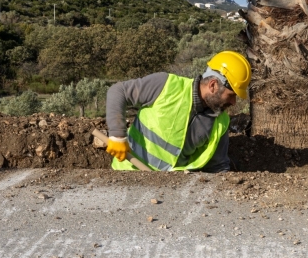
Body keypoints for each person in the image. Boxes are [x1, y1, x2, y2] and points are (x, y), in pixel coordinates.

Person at [105, 51, 251, 172]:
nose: (233, 103)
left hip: (169, 194)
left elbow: (218, 166)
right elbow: (118, 91)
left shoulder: (221, 122)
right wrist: (117, 135)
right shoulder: (166, 85)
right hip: (127, 176)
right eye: (231, 95)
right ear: (213, 85)